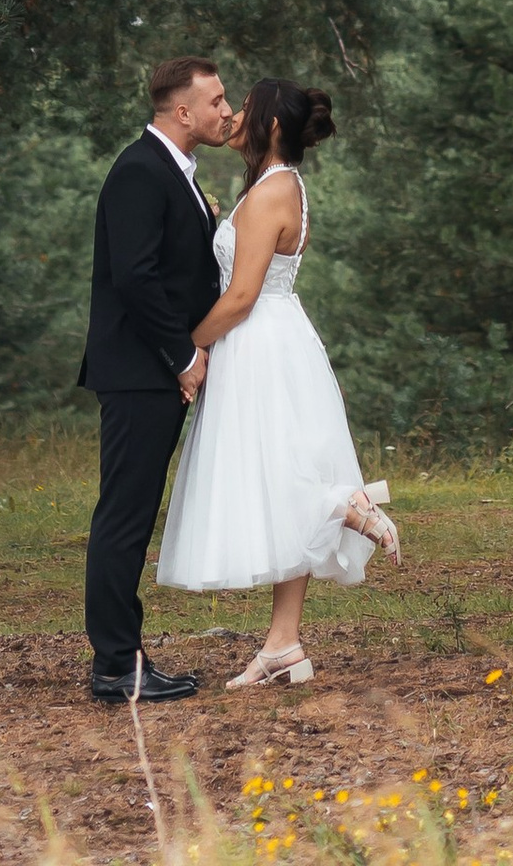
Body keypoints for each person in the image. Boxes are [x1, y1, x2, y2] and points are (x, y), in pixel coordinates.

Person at [156, 73, 400, 691]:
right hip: (275, 336)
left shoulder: (271, 193)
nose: (233, 113)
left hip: (258, 341)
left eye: (244, 107)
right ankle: (284, 645)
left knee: (265, 472)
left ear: (269, 125)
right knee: (273, 466)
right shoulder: (277, 185)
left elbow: (240, 296)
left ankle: (345, 504)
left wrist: (191, 348)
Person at [76, 53, 233, 702]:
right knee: (124, 517)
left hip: (152, 370)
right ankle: (116, 665)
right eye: (218, 101)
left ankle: (123, 655)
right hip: (141, 372)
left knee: (132, 516)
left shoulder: (176, 171)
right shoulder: (140, 171)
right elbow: (135, 277)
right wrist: (184, 356)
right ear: (183, 111)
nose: (228, 111)